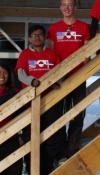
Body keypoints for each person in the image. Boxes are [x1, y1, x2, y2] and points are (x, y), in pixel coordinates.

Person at [15, 24, 66, 172]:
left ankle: (47, 168)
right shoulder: (25, 54)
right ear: (30, 38)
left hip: (49, 102)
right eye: (33, 35)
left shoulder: (52, 55)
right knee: (30, 136)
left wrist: (57, 83)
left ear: (45, 37)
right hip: (30, 103)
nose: (37, 38)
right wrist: (32, 82)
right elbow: (20, 73)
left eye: (40, 35)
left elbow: (60, 72)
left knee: (50, 136)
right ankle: (31, 168)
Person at [46, 0, 91, 159]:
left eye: (70, 5)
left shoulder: (83, 27)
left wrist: (83, 72)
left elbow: (87, 52)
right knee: (59, 113)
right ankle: (61, 148)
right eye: (64, 5)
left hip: (77, 76)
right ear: (60, 8)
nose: (67, 8)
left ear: (75, 8)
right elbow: (50, 53)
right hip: (60, 78)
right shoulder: (53, 28)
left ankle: (72, 148)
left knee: (78, 113)